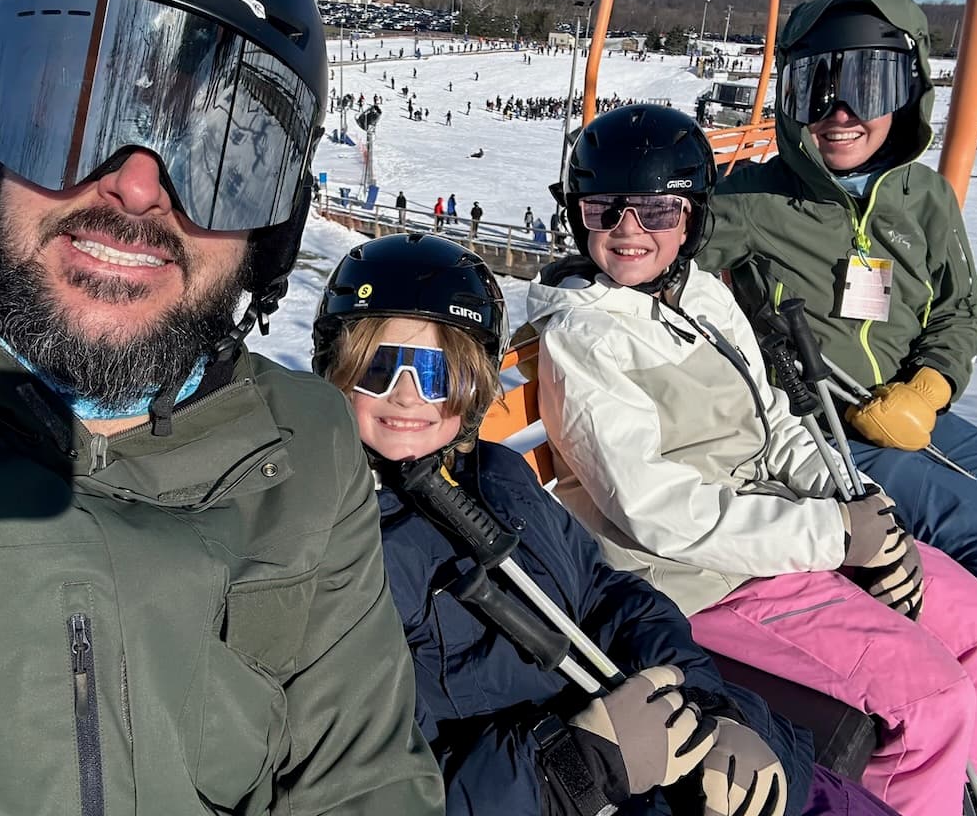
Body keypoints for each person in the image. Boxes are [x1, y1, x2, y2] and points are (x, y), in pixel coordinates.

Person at [0, 0, 443, 816]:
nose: (138, 187)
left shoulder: (305, 447)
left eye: (220, 154)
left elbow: (365, 780)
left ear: (271, 229)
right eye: (68, 115)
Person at [312, 232, 901, 816]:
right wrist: (579, 764)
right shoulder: (340, 551)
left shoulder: (494, 476)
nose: (409, 397)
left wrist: (716, 708)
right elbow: (385, 785)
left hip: (665, 742)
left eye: (440, 374)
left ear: (475, 385)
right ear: (332, 372)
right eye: (380, 369)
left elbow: (611, 593)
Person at [528, 104, 977, 816]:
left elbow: (775, 425)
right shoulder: (585, 338)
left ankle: (949, 792)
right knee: (930, 698)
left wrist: (860, 507)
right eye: (606, 210)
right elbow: (657, 511)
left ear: (691, 218)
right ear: (578, 216)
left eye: (658, 211)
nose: (630, 232)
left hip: (772, 531)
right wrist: (835, 537)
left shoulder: (702, 298)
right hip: (697, 576)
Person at [700, 0, 977, 808]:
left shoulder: (923, 199)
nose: (841, 113)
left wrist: (931, 383)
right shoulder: (747, 203)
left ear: (908, 93)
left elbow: (960, 309)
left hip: (918, 416)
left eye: (870, 88)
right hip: (831, 432)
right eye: (818, 88)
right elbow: (649, 248)